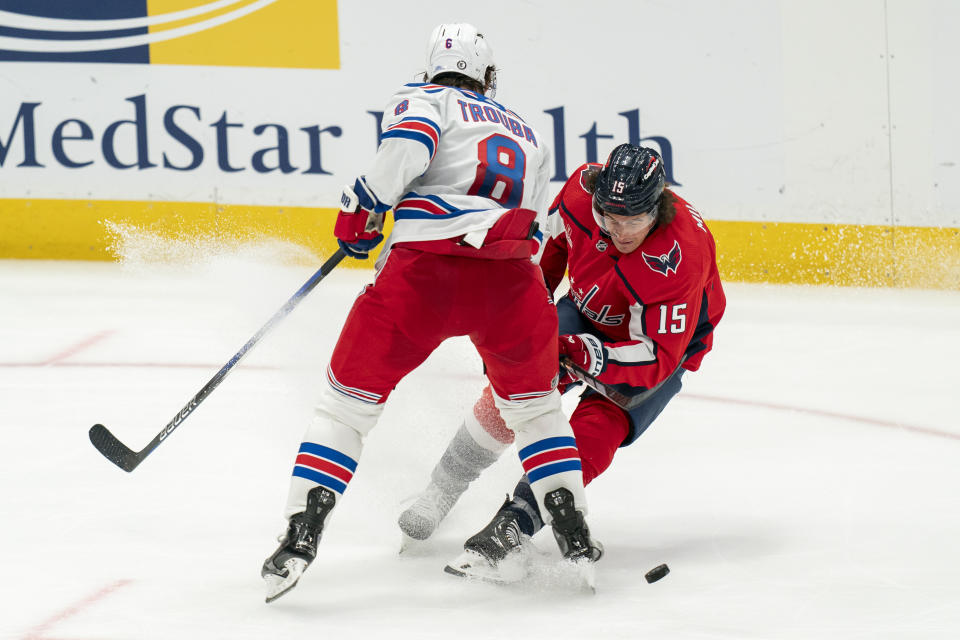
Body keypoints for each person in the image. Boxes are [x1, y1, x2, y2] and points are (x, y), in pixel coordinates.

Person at [261, 23, 601, 602]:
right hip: (513, 283)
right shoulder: (530, 135)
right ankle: (574, 537)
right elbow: (537, 223)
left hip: (426, 276)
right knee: (538, 414)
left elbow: (410, 148)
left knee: (345, 410)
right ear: (488, 76)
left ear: (430, 68)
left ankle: (300, 533)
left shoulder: (424, 98)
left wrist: (363, 206)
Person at [398, 143, 726, 582]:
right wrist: (519, 328)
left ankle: (514, 522)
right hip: (588, 308)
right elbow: (540, 260)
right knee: (513, 391)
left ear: (658, 206)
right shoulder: (578, 195)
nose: (622, 231)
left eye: (636, 220)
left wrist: (584, 354)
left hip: (656, 347)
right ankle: (440, 490)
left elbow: (657, 357)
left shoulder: (679, 256)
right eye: (611, 218)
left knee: (598, 426)